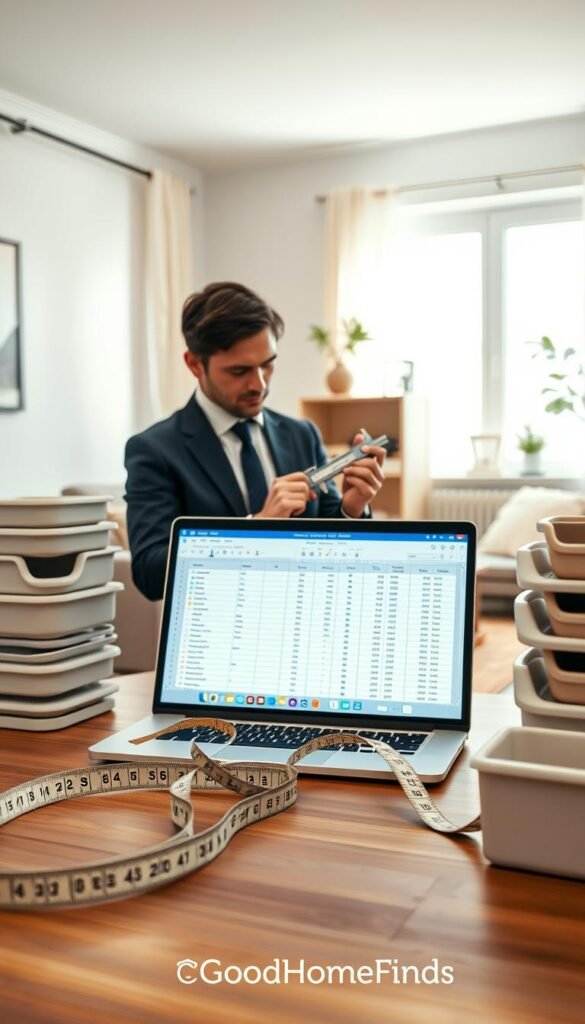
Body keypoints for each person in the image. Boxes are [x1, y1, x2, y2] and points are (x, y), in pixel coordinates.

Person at [125, 281, 385, 600]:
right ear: (194, 364)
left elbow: (334, 541)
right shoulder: (155, 451)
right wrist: (255, 528)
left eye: (267, 365)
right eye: (239, 371)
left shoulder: (302, 435)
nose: (259, 384)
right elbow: (150, 573)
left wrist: (352, 508)